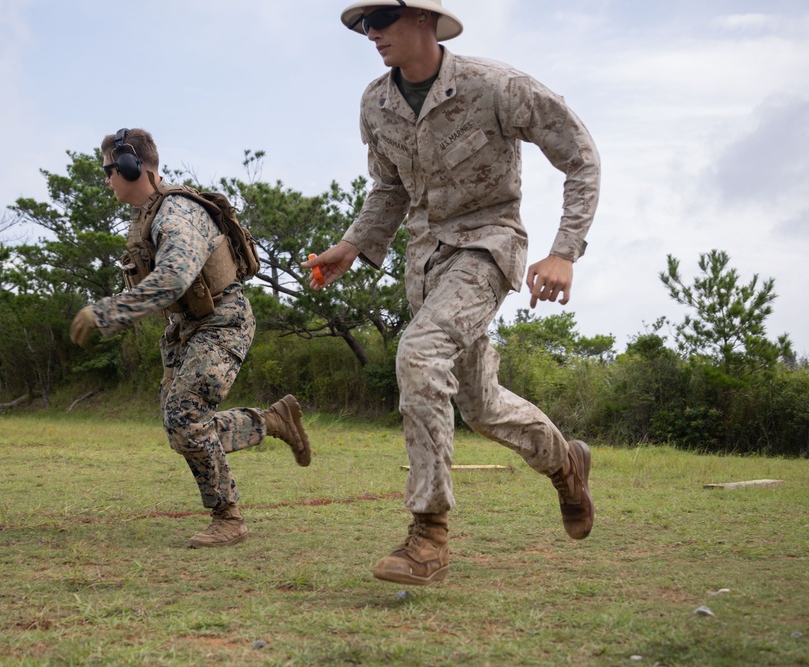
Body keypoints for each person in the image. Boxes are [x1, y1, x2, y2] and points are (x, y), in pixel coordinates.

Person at [305, 1, 600, 585]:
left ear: (423, 19)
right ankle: (566, 463)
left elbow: (581, 158)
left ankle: (428, 534)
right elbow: (388, 188)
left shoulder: (496, 87)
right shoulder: (376, 103)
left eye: (381, 19)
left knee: (418, 356)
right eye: (363, 25)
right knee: (480, 403)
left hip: (487, 249)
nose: (371, 33)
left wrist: (564, 250)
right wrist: (352, 245)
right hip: (425, 263)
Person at [70, 127, 313, 548]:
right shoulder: (147, 216)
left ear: (132, 166)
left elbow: (174, 278)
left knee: (184, 418)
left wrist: (109, 311)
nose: (107, 178)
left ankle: (228, 517)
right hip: (185, 328)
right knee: (182, 426)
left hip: (223, 322)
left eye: (110, 170)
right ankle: (273, 420)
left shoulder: (175, 212)